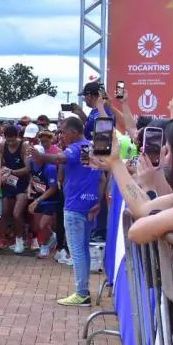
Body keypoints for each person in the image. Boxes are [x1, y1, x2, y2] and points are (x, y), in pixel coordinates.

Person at [32, 116, 104, 306]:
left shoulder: (75, 148)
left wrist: (40, 155)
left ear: (73, 131)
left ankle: (81, 293)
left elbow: (59, 158)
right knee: (83, 250)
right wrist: (98, 201)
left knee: (77, 251)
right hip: (89, 206)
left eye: (63, 131)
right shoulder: (91, 147)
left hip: (74, 207)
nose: (61, 135)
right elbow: (102, 178)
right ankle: (83, 291)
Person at [0, 125, 31, 254]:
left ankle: (19, 240)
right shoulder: (2, 145)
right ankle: (5, 238)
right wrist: (2, 173)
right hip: (8, 182)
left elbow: (27, 169)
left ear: (17, 137)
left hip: (22, 183)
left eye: (13, 140)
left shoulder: (24, 146)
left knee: (17, 213)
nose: (10, 143)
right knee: (5, 211)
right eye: (8, 140)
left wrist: (11, 171)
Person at [28, 130, 60, 259]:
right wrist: (30, 187)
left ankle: (45, 246)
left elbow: (53, 189)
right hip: (38, 197)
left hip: (50, 199)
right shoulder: (32, 163)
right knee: (38, 226)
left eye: (36, 156)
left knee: (42, 225)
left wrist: (37, 200)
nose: (34, 158)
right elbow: (33, 177)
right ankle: (52, 237)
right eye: (32, 156)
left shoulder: (50, 168)